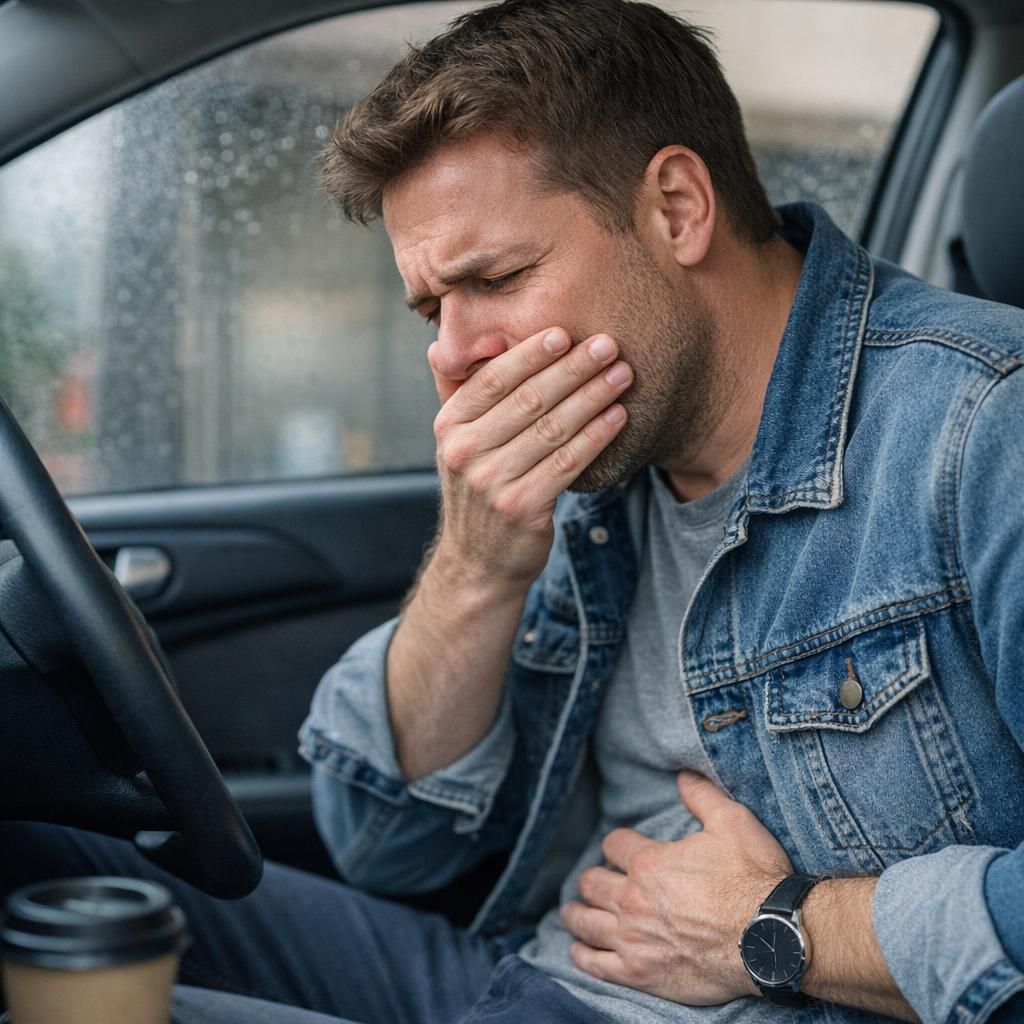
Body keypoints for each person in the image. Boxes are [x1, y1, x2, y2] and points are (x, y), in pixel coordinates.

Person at [2, 1, 1023, 1022]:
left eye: (494, 278)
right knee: (28, 864)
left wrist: (783, 928)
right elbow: (386, 848)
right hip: (513, 971)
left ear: (674, 207)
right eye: (429, 309)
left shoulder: (982, 428)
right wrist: (476, 567)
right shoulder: (591, 457)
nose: (450, 354)